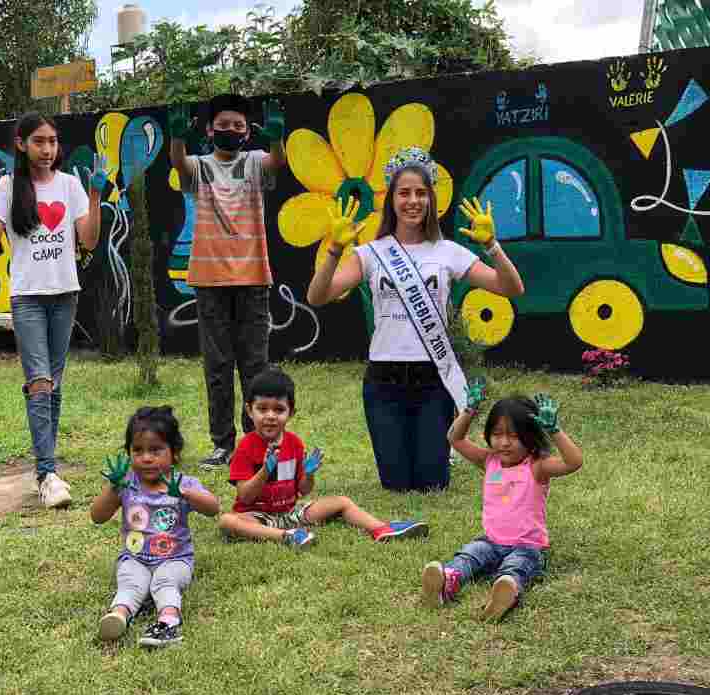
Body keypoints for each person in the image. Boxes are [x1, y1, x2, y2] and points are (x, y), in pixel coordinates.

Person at [306, 146, 526, 492]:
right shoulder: (371, 253)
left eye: (421, 193)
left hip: (431, 378)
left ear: (431, 200)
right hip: (384, 378)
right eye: (404, 193)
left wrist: (493, 245)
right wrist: (334, 250)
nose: (413, 201)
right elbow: (318, 296)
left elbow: (511, 288)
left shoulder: (448, 251)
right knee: (395, 483)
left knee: (431, 483)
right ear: (391, 200)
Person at [0, 112, 106, 508]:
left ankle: (48, 469)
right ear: (21, 144)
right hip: (28, 297)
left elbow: (88, 239)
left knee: (55, 381)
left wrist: (96, 194)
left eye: (52, 141)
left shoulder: (69, 186)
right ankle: (47, 473)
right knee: (39, 381)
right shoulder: (6, 186)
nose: (48, 149)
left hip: (66, 293)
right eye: (39, 141)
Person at [168, 94, 288, 470]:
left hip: (253, 278)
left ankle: (256, 442)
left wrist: (277, 138)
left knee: (255, 364)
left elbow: (277, 162)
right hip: (209, 281)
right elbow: (179, 163)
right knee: (217, 366)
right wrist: (175, 138)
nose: (230, 130)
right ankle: (223, 444)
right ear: (209, 129)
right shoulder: (200, 167)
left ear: (248, 132)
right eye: (223, 125)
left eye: (238, 125)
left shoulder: (255, 162)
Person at [421, 380, 583, 620]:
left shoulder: (537, 466)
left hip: (527, 546)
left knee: (515, 567)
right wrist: (469, 411)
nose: (504, 442)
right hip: (490, 540)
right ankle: (447, 579)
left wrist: (555, 430)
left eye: (514, 436)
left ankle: (507, 590)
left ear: (530, 437)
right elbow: (454, 439)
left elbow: (574, 462)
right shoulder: (489, 461)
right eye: (497, 434)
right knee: (469, 556)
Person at [219, 367, 428, 546]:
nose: (270, 416)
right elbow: (245, 496)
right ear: (249, 410)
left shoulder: (294, 443)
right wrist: (265, 471)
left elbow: (303, 490)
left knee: (342, 502)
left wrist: (308, 475)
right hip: (257, 517)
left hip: (291, 514)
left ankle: (381, 529)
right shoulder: (245, 447)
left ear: (291, 412)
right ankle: (285, 538)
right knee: (228, 521)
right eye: (262, 409)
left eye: (279, 409)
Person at [91, 406, 220, 647]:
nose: (146, 458)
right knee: (130, 582)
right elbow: (97, 516)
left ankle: (168, 623)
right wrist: (112, 487)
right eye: (137, 450)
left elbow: (213, 508)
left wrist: (184, 493)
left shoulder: (183, 483)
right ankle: (119, 615)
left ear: (175, 453)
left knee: (164, 581)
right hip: (135, 557)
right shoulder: (127, 484)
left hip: (175, 559)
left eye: (156, 450)